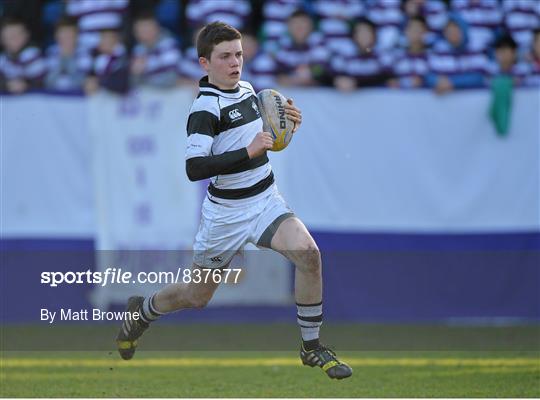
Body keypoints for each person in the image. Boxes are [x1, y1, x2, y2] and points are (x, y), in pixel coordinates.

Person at [116, 21, 353, 380]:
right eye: (225, 56)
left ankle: (311, 346)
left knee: (310, 257)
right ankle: (142, 311)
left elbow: (266, 139)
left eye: (238, 54)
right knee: (196, 298)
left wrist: (288, 126)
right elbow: (195, 168)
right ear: (204, 64)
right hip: (225, 215)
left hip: (265, 200)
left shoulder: (248, 89)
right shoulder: (204, 109)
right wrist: (248, 150)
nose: (234, 62)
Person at [130, 11, 182, 88]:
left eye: (148, 30)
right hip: (151, 94)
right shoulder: (138, 49)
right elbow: (133, 82)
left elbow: (171, 79)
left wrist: (145, 75)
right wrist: (135, 74)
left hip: (172, 94)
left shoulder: (168, 44)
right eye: (141, 31)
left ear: (157, 29)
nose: (145, 34)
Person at [45, 16, 92, 92]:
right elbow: (48, 82)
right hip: (54, 97)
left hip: (77, 97)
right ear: (56, 35)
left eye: (70, 34)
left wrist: (69, 58)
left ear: (77, 36)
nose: (67, 37)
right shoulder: (51, 52)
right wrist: (62, 60)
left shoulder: (84, 52)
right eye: (63, 33)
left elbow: (82, 82)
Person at [0, 17, 46, 93]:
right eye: (10, 36)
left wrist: (26, 84)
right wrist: (7, 84)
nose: (15, 39)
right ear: (2, 39)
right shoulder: (2, 59)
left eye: (18, 34)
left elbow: (41, 82)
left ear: (26, 35)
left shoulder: (33, 54)